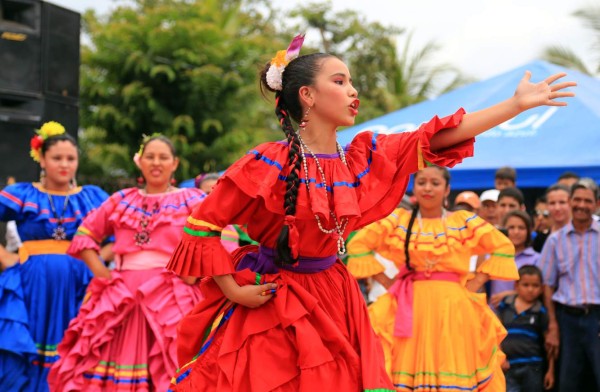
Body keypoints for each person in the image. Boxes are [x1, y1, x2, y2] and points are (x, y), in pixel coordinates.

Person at [164, 35, 575, 391]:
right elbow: (202, 226)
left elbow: (439, 136)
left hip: (336, 294)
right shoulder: (268, 162)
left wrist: (516, 105)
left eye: (351, 82)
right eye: (340, 81)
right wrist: (233, 290)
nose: (353, 91)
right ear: (306, 94)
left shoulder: (363, 158)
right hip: (275, 299)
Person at [48, 135, 206, 391]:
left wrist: (193, 273)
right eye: (150, 157)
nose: (156, 163)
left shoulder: (192, 199)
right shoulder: (121, 199)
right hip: (122, 293)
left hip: (171, 293)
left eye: (163, 157)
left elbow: (216, 236)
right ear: (139, 162)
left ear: (174, 163)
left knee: (175, 362)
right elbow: (85, 234)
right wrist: (102, 273)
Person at [347, 166, 518, 390]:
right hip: (410, 304)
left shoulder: (463, 221)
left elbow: (503, 246)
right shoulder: (400, 220)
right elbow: (358, 244)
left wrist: (476, 281)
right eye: (422, 182)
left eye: (435, 183)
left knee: (453, 360)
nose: (428, 188)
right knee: (400, 361)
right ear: (414, 187)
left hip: (453, 305)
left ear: (447, 189)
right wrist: (387, 281)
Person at [0, 122, 109, 391]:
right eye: (57, 158)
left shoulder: (93, 198)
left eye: (71, 158)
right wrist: (5, 257)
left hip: (80, 284)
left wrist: (97, 264)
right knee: (29, 343)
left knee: (75, 343)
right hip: (31, 283)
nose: (64, 164)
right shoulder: (24, 194)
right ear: (42, 159)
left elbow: (120, 236)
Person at [538, 180, 600, 392]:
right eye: (577, 199)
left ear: (597, 204)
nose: (581, 205)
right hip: (567, 320)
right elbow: (547, 284)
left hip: (598, 318)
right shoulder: (555, 241)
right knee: (567, 383)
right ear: (570, 202)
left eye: (587, 201)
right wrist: (553, 325)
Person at [497, 265, 555, 392]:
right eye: (526, 285)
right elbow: (496, 334)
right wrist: (500, 359)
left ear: (541, 289)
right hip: (508, 366)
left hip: (533, 367)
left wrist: (550, 371)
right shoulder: (505, 305)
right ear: (516, 286)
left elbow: (549, 344)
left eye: (535, 286)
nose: (530, 290)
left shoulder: (540, 311)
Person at [490, 210, 540, 307]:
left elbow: (539, 291)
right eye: (511, 227)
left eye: (521, 228)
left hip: (522, 317)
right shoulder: (492, 256)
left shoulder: (537, 259)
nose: (516, 232)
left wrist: (509, 295)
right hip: (492, 315)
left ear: (529, 231)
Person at [533, 184, 571, 252]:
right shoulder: (540, 239)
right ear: (547, 206)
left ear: (571, 203)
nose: (557, 208)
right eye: (552, 203)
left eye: (562, 202)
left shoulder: (582, 234)